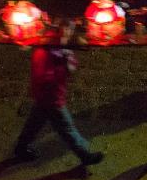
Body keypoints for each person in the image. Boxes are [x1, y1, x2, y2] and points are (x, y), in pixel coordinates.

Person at [15, 24, 103, 165]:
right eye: (65, 31)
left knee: (34, 124)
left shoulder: (52, 49)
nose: (68, 34)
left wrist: (67, 57)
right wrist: (64, 64)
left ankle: (21, 148)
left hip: (45, 98)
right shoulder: (46, 54)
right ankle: (85, 155)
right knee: (66, 128)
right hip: (52, 99)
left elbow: (71, 64)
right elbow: (47, 78)